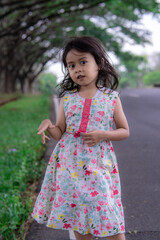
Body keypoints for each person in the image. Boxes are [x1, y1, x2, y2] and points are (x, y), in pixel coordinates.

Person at [32, 36, 129, 240]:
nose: (77, 69)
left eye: (83, 62)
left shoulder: (111, 97)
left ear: (99, 63)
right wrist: (48, 125)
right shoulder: (67, 98)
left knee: (108, 214)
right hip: (69, 167)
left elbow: (124, 130)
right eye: (71, 65)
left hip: (99, 166)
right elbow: (60, 132)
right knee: (79, 220)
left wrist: (104, 134)